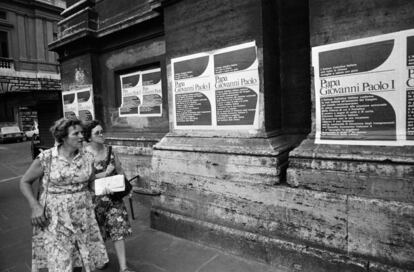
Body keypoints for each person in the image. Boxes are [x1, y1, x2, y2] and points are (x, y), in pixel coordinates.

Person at [20, 118, 108, 272]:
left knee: (80, 260)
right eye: (76, 133)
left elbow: (91, 182)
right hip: (55, 219)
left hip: (83, 217)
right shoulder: (47, 158)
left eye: (82, 132)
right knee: (61, 263)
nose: (81, 136)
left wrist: (106, 187)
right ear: (63, 137)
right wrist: (34, 206)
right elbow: (24, 182)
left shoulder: (87, 157)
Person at [83, 120, 134, 272]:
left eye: (102, 131)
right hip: (93, 200)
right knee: (98, 231)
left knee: (118, 230)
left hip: (113, 199)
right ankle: (101, 257)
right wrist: (104, 174)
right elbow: (84, 178)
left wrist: (127, 187)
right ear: (89, 137)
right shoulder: (84, 155)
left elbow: (119, 170)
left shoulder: (111, 150)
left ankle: (123, 268)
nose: (101, 134)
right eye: (97, 133)